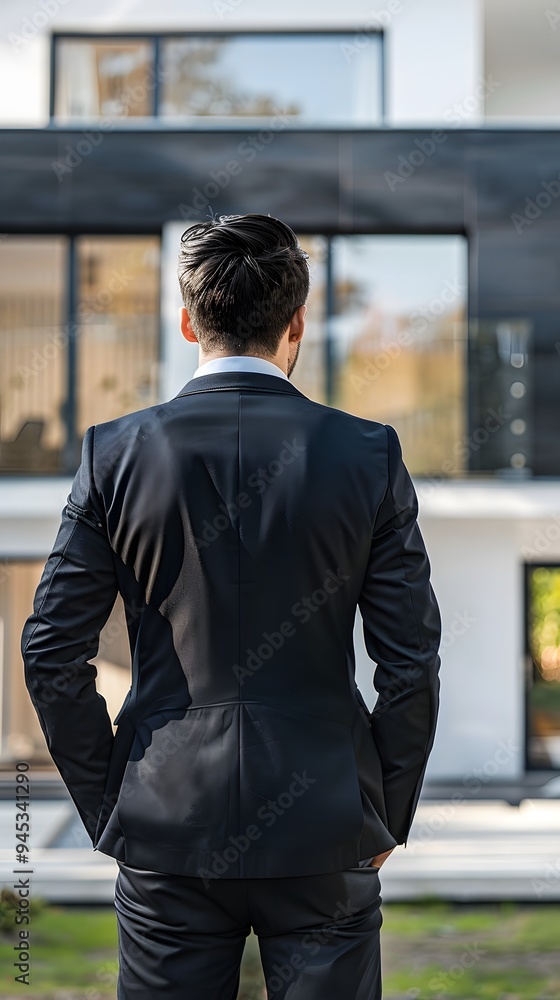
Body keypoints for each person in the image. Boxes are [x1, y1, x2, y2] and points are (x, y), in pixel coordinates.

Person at [22, 213, 442, 999]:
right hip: (327, 821)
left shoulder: (114, 453)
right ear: (297, 325)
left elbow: (51, 653)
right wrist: (387, 809)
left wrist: (111, 800)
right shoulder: (368, 453)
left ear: (187, 321)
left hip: (167, 823)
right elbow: (410, 661)